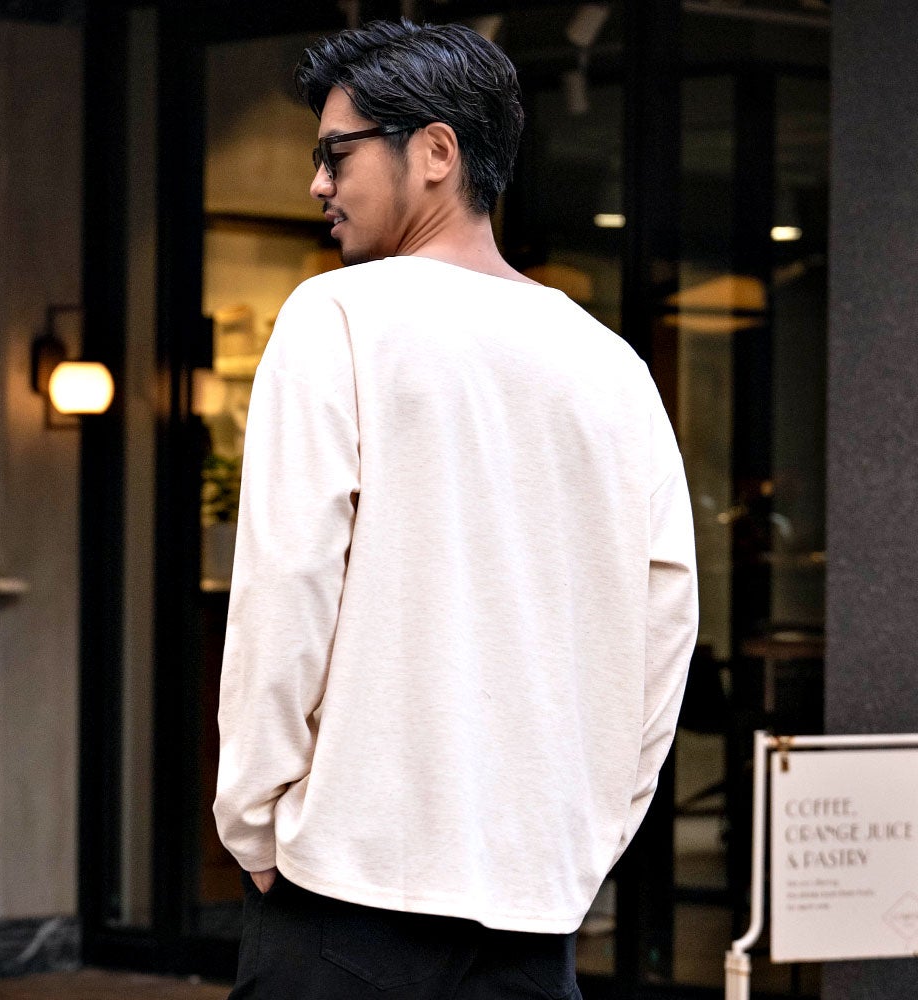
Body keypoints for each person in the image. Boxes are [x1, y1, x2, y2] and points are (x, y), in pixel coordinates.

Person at [214, 18, 698, 1000]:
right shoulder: (611, 364)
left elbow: (286, 587)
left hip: (347, 894)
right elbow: (664, 624)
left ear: (435, 151)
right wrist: (595, 829)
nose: (316, 184)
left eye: (337, 153)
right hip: (533, 916)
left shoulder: (337, 317)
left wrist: (255, 822)